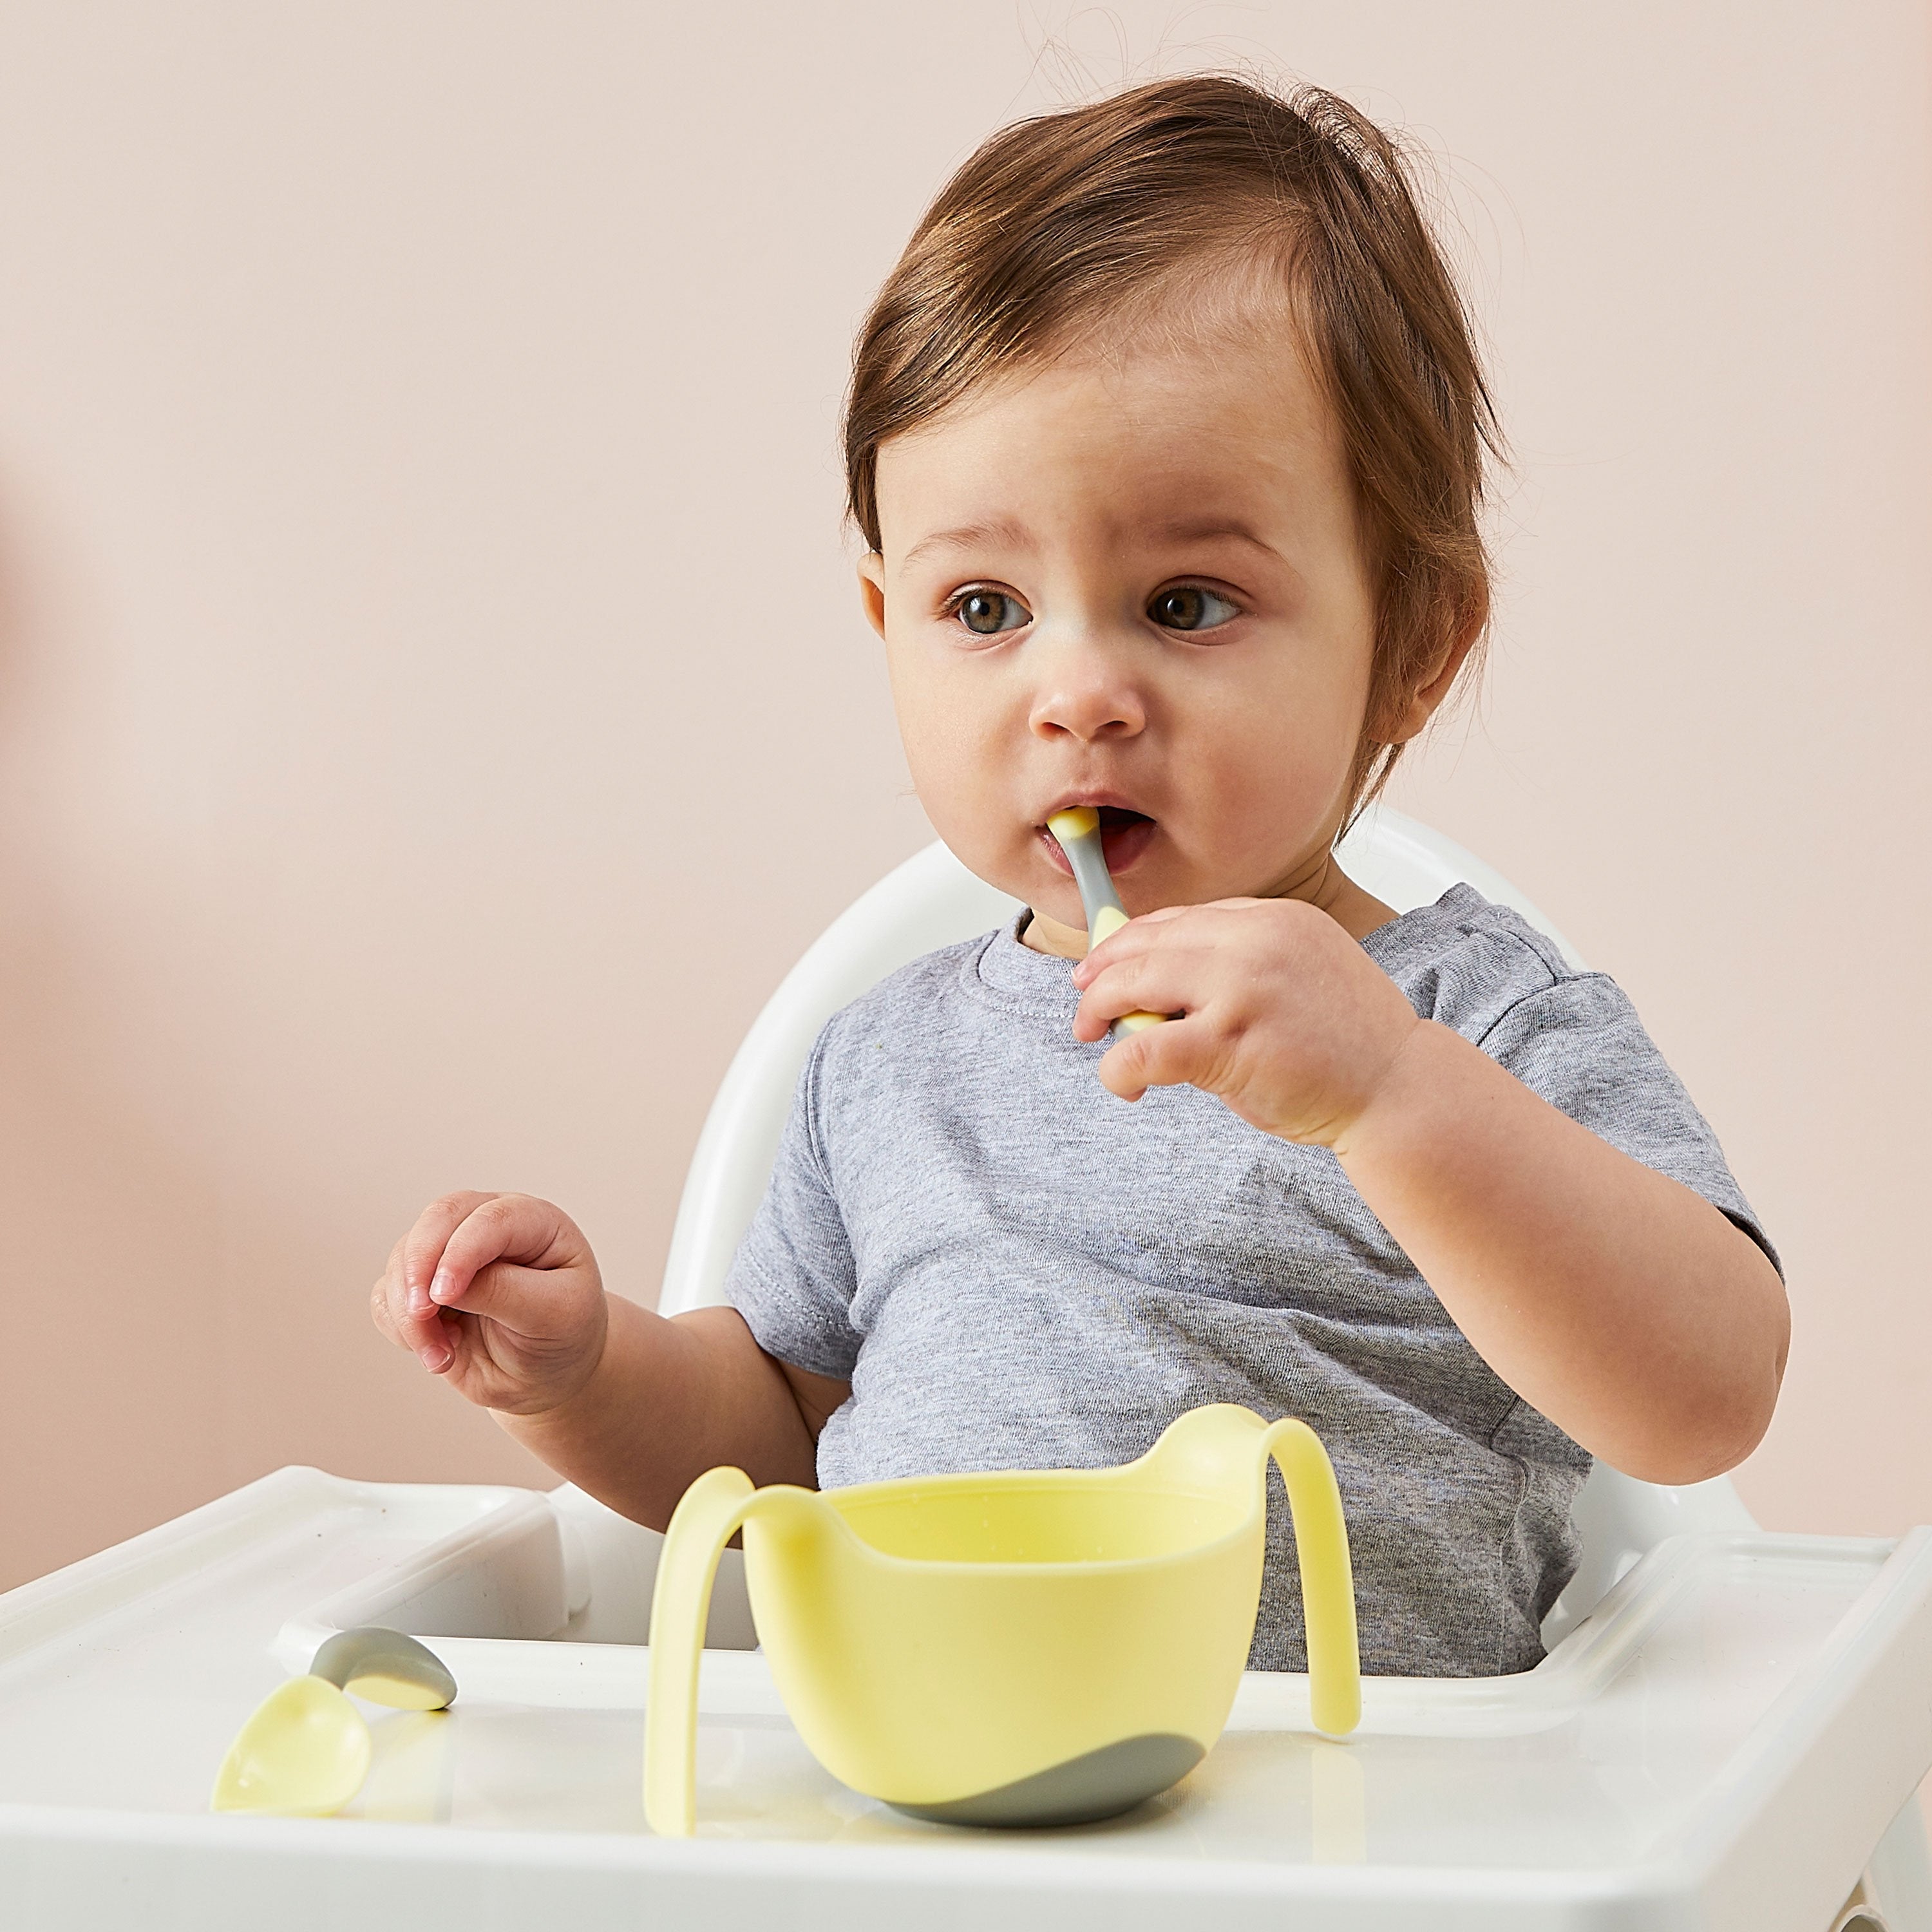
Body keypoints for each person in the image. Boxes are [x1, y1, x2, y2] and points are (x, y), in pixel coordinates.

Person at [371, 75, 1787, 1676]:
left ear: (1412, 648)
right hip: (924, 1798)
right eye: (984, 609)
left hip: (1353, 1802)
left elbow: (1709, 1394)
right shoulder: (881, 1065)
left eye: (1186, 604)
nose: (1078, 694)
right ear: (886, 624)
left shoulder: (1472, 1020)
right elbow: (778, 1449)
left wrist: (1391, 1092)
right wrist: (582, 1376)